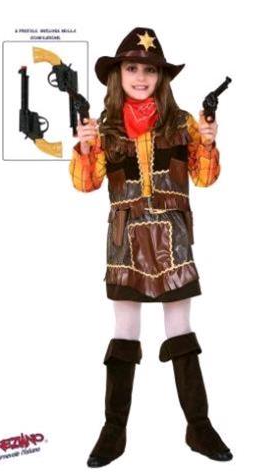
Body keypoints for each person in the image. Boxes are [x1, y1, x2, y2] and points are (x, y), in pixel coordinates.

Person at [69, 27, 233, 467]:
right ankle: (114, 430)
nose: (140, 77)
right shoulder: (104, 127)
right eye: (132, 68)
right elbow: (85, 184)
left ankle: (199, 426)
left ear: (161, 77)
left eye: (149, 70)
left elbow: (204, 177)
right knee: (124, 331)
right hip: (125, 241)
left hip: (173, 240)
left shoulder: (181, 124)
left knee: (180, 329)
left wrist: (208, 141)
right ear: (118, 75)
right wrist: (85, 148)